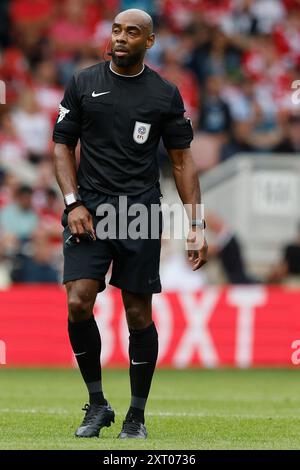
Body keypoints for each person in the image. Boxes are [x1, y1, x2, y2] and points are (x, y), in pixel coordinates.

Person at [53, 8, 207, 440]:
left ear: (149, 41)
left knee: (138, 315)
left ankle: (136, 417)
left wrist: (195, 224)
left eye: (132, 32)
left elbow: (182, 160)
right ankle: (97, 403)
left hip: (139, 211)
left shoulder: (164, 94)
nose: (121, 37)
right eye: (117, 30)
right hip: (90, 210)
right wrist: (72, 203)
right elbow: (62, 145)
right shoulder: (84, 82)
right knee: (78, 301)